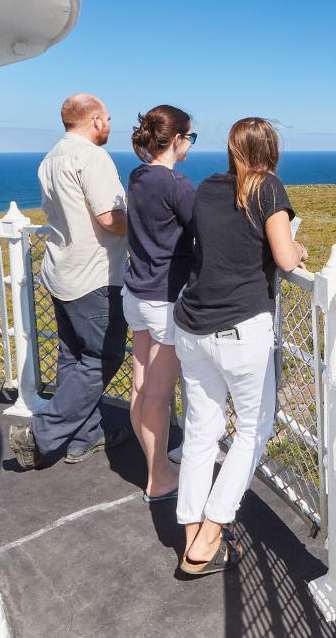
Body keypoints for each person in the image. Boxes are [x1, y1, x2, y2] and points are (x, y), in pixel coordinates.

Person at [172, 117, 307, 576]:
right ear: (271, 151)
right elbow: (285, 257)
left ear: (232, 149)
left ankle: (190, 532)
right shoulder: (268, 188)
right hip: (238, 329)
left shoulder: (208, 186)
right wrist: (298, 248)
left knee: (200, 428)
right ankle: (212, 530)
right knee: (253, 428)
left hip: (192, 326)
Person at [9, 94, 130, 469]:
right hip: (95, 274)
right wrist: (144, 227)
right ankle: (41, 434)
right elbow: (110, 217)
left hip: (61, 269)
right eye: (108, 118)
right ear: (95, 121)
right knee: (102, 358)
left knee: (73, 356)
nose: (110, 125)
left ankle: (86, 435)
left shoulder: (50, 159)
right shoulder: (92, 157)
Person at [124, 105, 197, 502]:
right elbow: (203, 230)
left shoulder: (138, 176)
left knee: (140, 386)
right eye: (190, 137)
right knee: (158, 393)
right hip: (164, 299)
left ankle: (157, 464)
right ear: (179, 138)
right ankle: (159, 478)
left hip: (135, 293)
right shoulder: (177, 184)